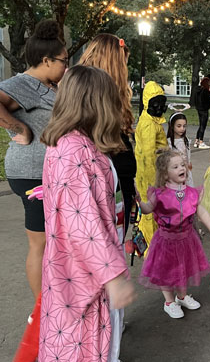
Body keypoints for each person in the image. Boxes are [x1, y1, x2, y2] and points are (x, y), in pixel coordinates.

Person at [38, 65, 136, 362]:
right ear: (95, 103)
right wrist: (113, 275)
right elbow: (84, 226)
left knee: (91, 361)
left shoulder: (73, 145)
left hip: (76, 277)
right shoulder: (75, 152)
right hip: (82, 283)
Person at [0, 19, 67, 302]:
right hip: (32, 174)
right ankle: (43, 309)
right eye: (63, 60)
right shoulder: (24, 83)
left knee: (54, 242)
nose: (66, 65)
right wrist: (19, 129)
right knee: (39, 242)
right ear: (46, 60)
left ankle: (54, 300)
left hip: (48, 172)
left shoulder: (47, 84)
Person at [137, 149, 210, 318]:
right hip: (166, 241)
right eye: (175, 166)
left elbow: (200, 211)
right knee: (166, 272)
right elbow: (147, 209)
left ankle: (181, 296)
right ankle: (169, 302)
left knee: (184, 269)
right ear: (165, 174)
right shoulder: (159, 194)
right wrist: (139, 201)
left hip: (187, 239)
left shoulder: (191, 193)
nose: (181, 168)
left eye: (182, 164)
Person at [79, 33, 137, 235]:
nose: (125, 69)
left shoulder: (110, 93)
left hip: (120, 180)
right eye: (123, 63)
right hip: (103, 186)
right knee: (106, 254)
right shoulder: (88, 92)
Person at [135, 81, 168, 248]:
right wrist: (153, 182)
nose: (159, 106)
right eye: (155, 102)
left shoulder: (153, 121)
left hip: (156, 171)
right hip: (150, 175)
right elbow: (147, 155)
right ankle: (150, 245)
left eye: (161, 102)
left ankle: (152, 242)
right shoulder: (148, 124)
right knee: (150, 210)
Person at [167, 112, 193, 186]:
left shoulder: (186, 140)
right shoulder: (169, 142)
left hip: (186, 172)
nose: (182, 129)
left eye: (184, 126)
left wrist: (189, 163)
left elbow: (188, 154)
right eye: (179, 126)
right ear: (172, 126)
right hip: (174, 174)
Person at [194, 77, 210, 149]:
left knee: (200, 125)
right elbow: (209, 100)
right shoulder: (206, 91)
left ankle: (196, 140)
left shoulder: (198, 90)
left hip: (199, 109)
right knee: (203, 125)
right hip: (204, 109)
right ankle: (201, 141)